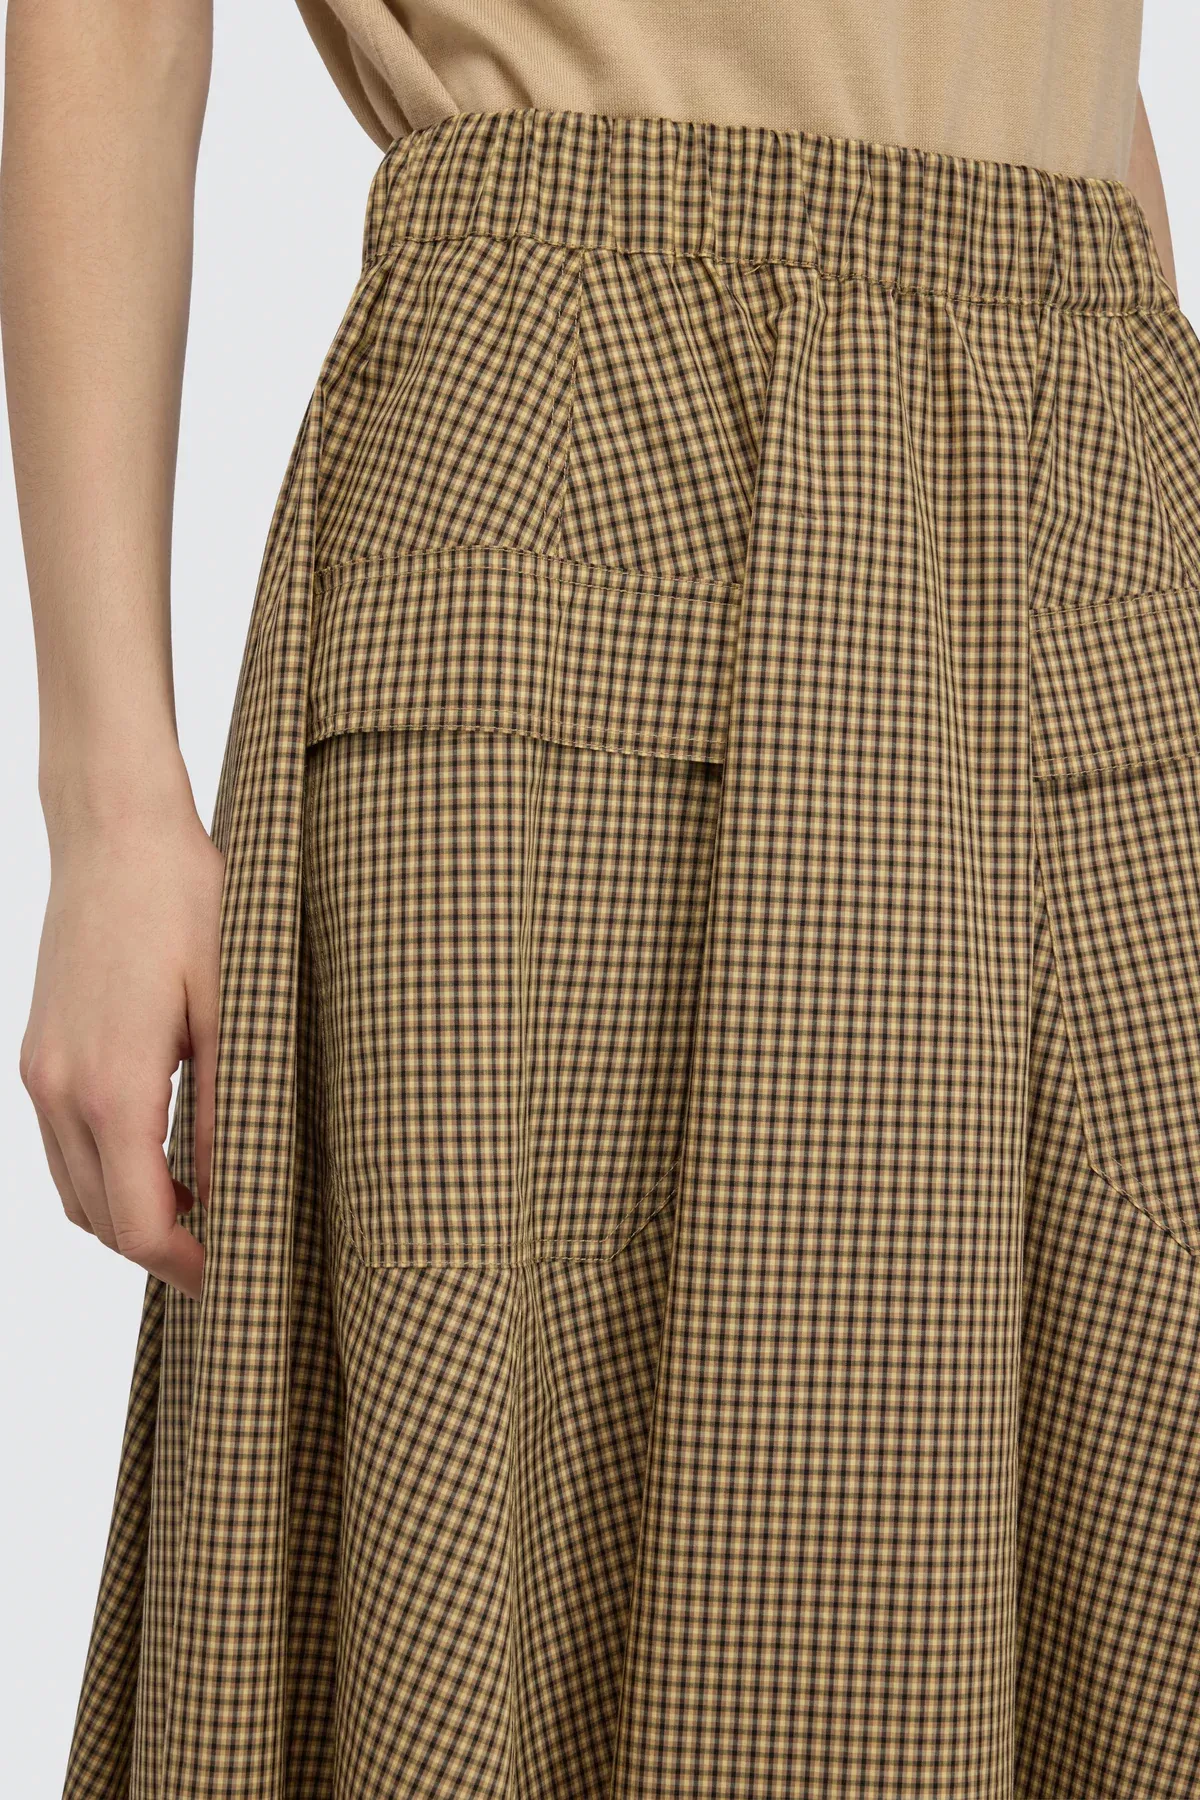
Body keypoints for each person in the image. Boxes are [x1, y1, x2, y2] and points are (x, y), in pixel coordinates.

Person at [3, 4, 1198, 1796]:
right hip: (582, 421)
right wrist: (108, 805)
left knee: (1110, 1556)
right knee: (506, 1563)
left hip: (1096, 467)